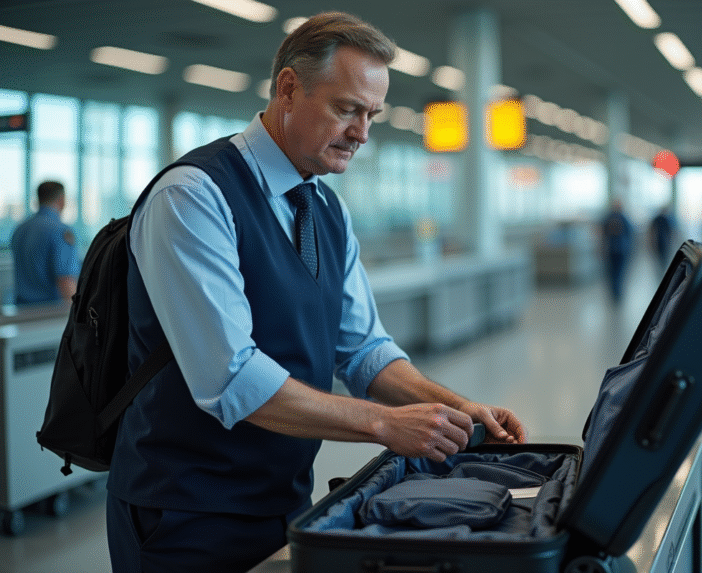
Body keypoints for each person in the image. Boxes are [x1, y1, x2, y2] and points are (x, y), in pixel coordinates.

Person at [106, 12, 527, 572]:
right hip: (184, 510)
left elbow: (363, 350)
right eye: (347, 109)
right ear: (288, 89)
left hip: (284, 500)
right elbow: (231, 378)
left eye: (371, 115)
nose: (362, 133)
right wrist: (383, 424)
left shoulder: (326, 208)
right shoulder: (193, 197)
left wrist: (457, 408)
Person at [9, 180, 79, 305]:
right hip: (50, 311)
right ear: (62, 199)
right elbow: (66, 280)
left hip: (21, 310)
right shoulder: (61, 231)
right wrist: (79, 313)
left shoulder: (20, 229)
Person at [601, 198, 634, 303]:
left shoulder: (608, 218)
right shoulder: (624, 218)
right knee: (619, 272)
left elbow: (602, 234)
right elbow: (630, 233)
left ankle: (614, 292)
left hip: (611, 249)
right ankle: (617, 292)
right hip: (621, 249)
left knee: (612, 272)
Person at [649, 204, 677, 272]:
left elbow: (671, 232)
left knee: (662, 260)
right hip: (661, 243)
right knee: (661, 260)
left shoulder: (666, 219)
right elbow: (652, 232)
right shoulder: (663, 219)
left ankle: (661, 271)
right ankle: (661, 271)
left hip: (663, 243)